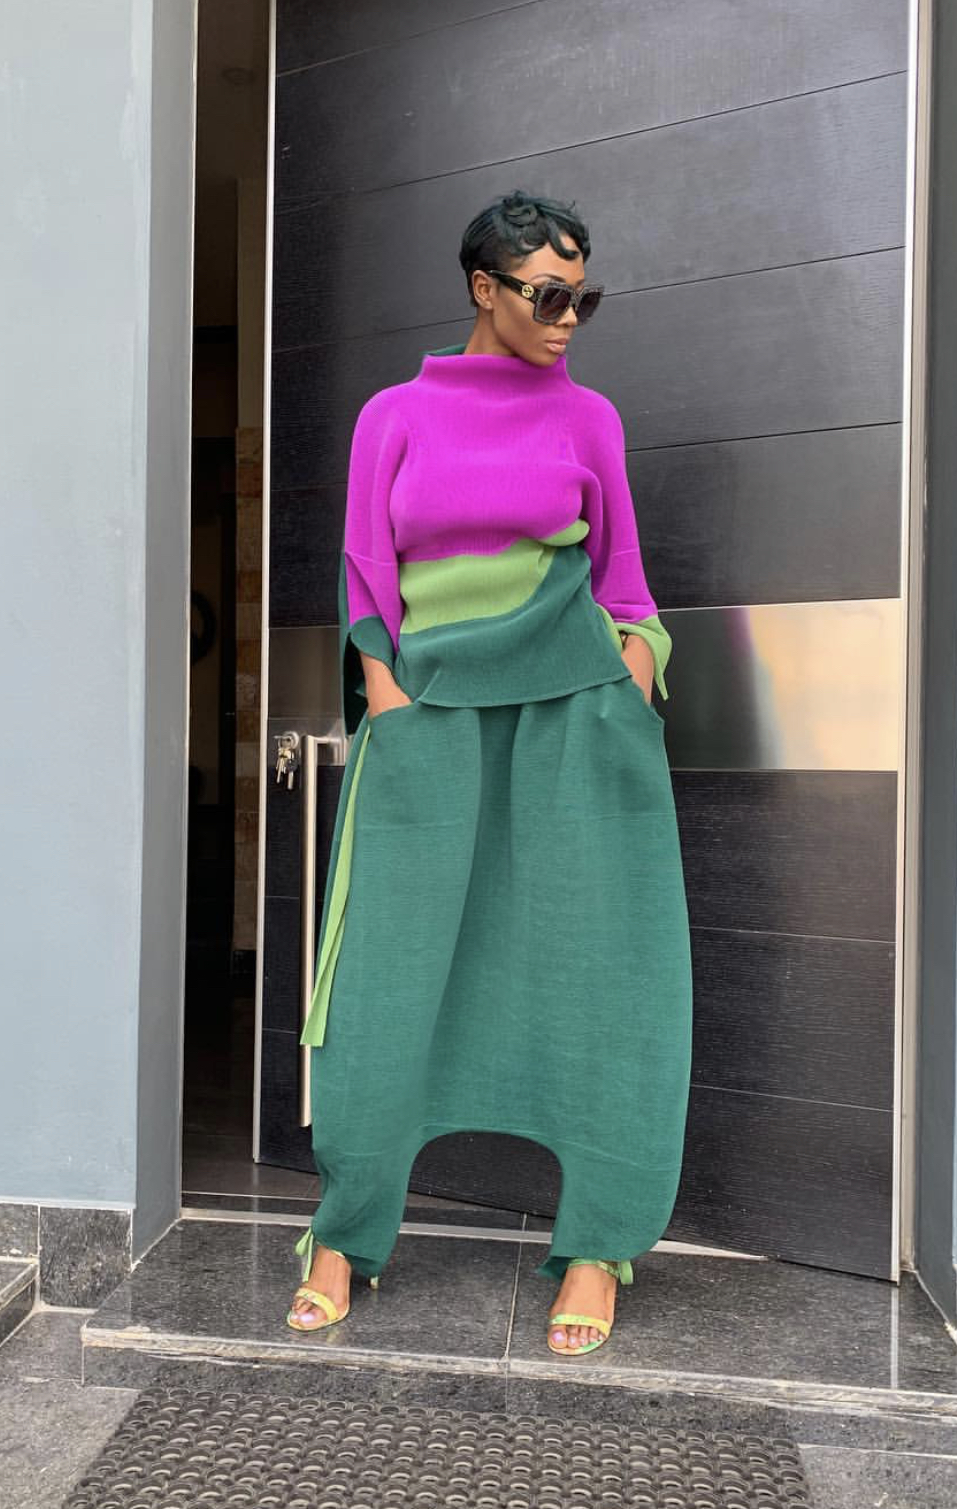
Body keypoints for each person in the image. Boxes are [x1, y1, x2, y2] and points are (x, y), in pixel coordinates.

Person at [288, 190, 693, 1356]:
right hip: (431, 717)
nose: (567, 319)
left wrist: (635, 669)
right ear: (483, 287)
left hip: (574, 713)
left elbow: (624, 576)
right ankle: (344, 1233)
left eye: (582, 298)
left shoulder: (590, 418)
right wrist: (385, 693)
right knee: (385, 980)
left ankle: (598, 1244)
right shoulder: (394, 416)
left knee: (601, 975)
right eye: (547, 295)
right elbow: (366, 575)